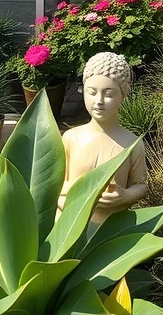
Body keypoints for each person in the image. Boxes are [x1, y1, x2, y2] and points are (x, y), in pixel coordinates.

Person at [57, 51, 147, 226]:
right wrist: (67, 206)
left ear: (123, 95)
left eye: (109, 94)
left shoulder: (132, 143)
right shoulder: (71, 138)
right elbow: (57, 183)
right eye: (92, 92)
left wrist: (124, 196)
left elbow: (141, 185)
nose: (99, 101)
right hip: (70, 225)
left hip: (112, 229)